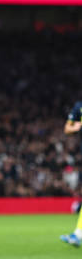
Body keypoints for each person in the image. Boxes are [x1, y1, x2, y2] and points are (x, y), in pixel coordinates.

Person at [60, 101, 82, 247]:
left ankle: (78, 235)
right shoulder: (79, 107)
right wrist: (76, 127)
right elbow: (67, 129)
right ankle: (78, 235)